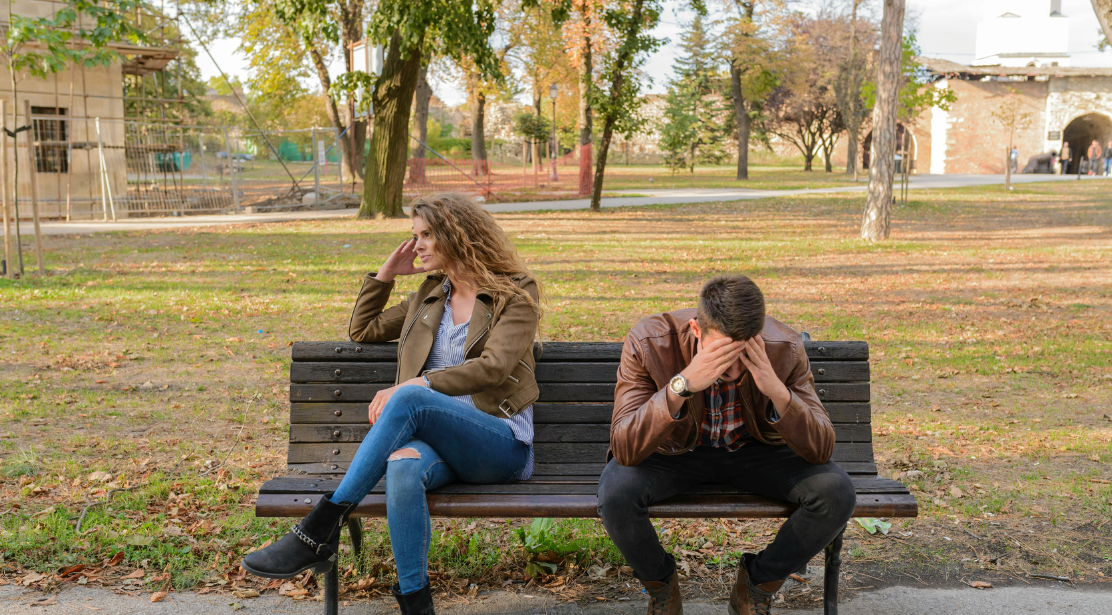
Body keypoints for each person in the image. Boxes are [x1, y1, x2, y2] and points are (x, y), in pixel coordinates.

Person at [241, 193, 543, 615]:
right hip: (440, 444)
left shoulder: (516, 291)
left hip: (500, 442)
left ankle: (320, 526)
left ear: (457, 234)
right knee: (402, 465)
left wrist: (416, 384)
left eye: (425, 235)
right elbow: (363, 330)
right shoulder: (429, 296)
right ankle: (416, 605)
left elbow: (493, 368)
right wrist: (385, 275)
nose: (416, 245)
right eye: (413, 235)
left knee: (414, 397)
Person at [597, 275, 854, 615]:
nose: (731, 368)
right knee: (615, 493)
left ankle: (756, 586)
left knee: (836, 493)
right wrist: (682, 385)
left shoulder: (785, 347)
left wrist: (776, 389)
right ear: (696, 330)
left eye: (743, 353)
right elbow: (625, 447)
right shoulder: (648, 341)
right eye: (720, 353)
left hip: (754, 451)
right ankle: (662, 588)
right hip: (674, 453)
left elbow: (821, 449)